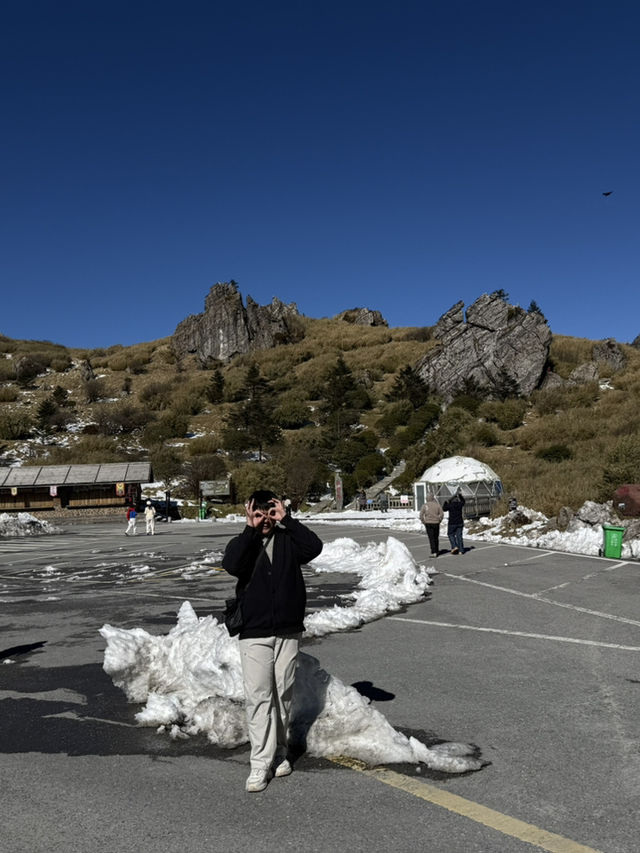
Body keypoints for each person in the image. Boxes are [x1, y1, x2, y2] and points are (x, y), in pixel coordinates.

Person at [222, 489, 323, 793]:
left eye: (269, 510)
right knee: (258, 696)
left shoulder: (289, 539)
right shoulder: (244, 542)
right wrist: (250, 529)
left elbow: (314, 547)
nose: (265, 516)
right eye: (258, 511)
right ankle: (259, 763)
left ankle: (280, 751)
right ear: (249, 511)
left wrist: (288, 520)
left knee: (283, 692)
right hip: (254, 630)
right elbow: (232, 565)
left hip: (288, 629)